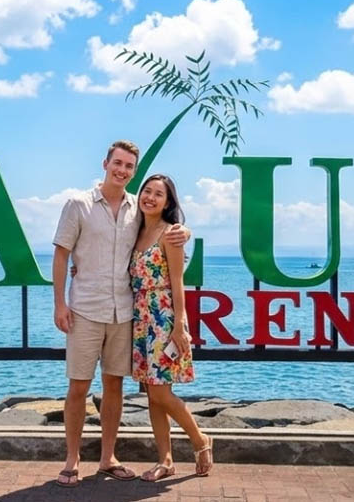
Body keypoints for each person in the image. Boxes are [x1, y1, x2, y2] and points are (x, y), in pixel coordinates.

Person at [51, 140, 189, 488]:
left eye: (129, 166)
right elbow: (61, 256)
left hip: (125, 313)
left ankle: (108, 458)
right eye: (118, 163)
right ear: (105, 163)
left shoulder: (137, 210)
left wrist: (184, 231)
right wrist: (59, 304)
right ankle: (71, 460)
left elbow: (165, 228)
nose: (122, 170)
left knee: (114, 386)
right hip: (84, 309)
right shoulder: (78, 205)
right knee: (78, 387)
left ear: (133, 171)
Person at [130, 173, 212, 481]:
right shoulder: (135, 231)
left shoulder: (171, 234)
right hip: (140, 319)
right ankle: (165, 460)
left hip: (163, 317)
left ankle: (200, 440)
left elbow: (178, 283)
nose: (150, 197)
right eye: (146, 191)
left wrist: (180, 325)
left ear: (168, 202)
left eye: (158, 194)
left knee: (162, 393)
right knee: (153, 394)